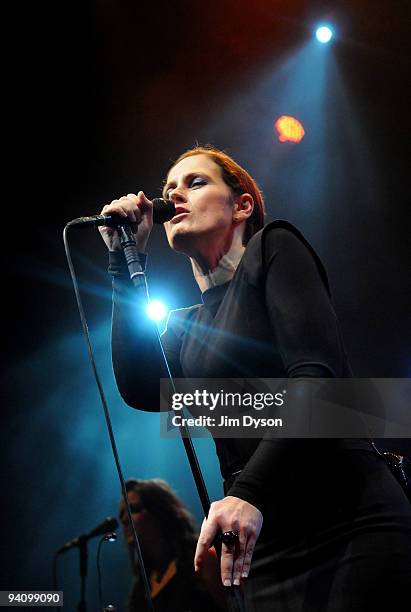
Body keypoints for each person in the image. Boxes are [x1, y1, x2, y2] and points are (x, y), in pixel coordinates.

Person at [100, 146, 411, 610]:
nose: (174, 195)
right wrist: (122, 264)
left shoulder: (274, 248)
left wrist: (246, 493)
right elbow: (142, 390)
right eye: (169, 190)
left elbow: (315, 379)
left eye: (195, 182)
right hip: (267, 542)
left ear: (242, 206)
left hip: (348, 519)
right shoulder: (186, 328)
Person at [119, 478, 227, 611]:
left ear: (159, 511)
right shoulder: (140, 591)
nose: (124, 519)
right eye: (122, 515)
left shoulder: (201, 558)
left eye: (133, 509)